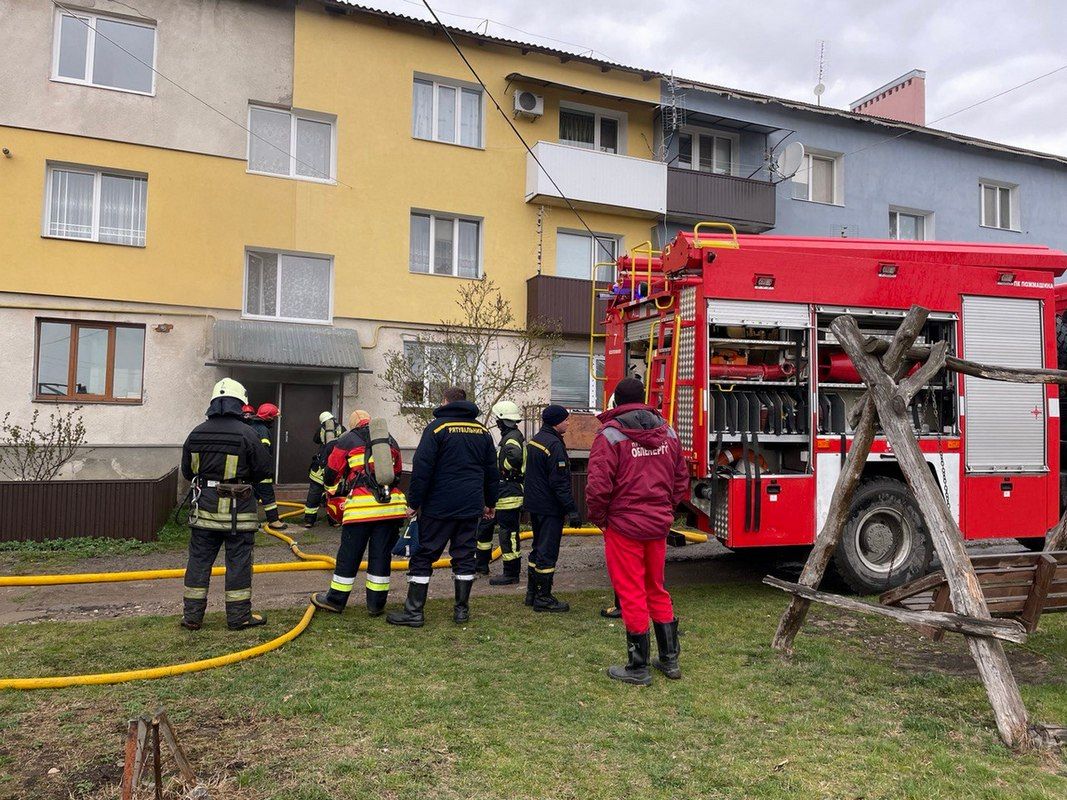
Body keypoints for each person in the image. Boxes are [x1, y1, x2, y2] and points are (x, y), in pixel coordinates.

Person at [586, 378, 689, 685]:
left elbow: (598, 486)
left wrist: (600, 518)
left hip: (623, 525)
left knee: (631, 591)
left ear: (616, 401)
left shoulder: (610, 435)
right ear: (643, 398)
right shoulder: (667, 432)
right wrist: (665, 509)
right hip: (657, 523)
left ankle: (638, 667)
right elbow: (680, 479)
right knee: (656, 587)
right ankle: (670, 661)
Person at [387, 387, 498, 627]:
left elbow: (422, 470)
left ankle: (414, 612)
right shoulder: (483, 432)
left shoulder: (436, 428)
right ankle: (461, 612)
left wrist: (414, 503)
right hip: (470, 505)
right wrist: (490, 502)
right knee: (465, 556)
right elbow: (492, 471)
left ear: (445, 402)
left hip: (439, 506)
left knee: (424, 555)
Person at [180, 378, 272, 631]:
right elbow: (263, 469)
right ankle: (239, 617)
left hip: (204, 513)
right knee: (239, 564)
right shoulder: (248, 433)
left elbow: (187, 472)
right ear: (241, 404)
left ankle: (192, 617)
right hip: (238, 514)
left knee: (198, 563)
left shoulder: (196, 433)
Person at [311, 410, 407, 617]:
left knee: (349, 556)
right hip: (390, 509)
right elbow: (397, 472)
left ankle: (335, 600)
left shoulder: (347, 440)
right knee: (381, 556)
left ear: (353, 424)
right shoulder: (389, 439)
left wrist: (338, 485)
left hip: (361, 510)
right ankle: (376, 605)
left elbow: (331, 472)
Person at [522, 404, 581, 613]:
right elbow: (559, 482)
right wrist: (572, 509)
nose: (567, 422)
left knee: (537, 548)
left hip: (535, 505)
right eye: (565, 419)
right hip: (549, 507)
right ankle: (543, 598)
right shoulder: (554, 445)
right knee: (547, 552)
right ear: (556, 422)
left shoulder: (537, 440)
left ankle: (532, 593)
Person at [474, 400, 526, 585]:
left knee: (508, 533)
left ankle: (511, 573)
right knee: (486, 527)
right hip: (502, 491)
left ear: (502, 421)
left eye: (498, 419)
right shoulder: (511, 435)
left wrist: (505, 470)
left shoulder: (511, 438)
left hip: (509, 492)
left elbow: (515, 457)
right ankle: (480, 564)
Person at [303, 410, 346, 528]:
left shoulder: (321, 429)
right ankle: (334, 520)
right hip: (334, 469)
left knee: (313, 496)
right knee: (333, 495)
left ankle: (309, 520)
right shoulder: (341, 428)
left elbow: (315, 439)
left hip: (319, 470)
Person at [249, 403, 286, 531]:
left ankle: (251, 521)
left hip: (251, 471)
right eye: (274, 417)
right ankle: (274, 521)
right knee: (268, 496)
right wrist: (266, 470)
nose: (275, 420)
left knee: (252, 496)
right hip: (261, 471)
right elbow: (263, 452)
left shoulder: (252, 426)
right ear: (269, 418)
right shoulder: (263, 430)